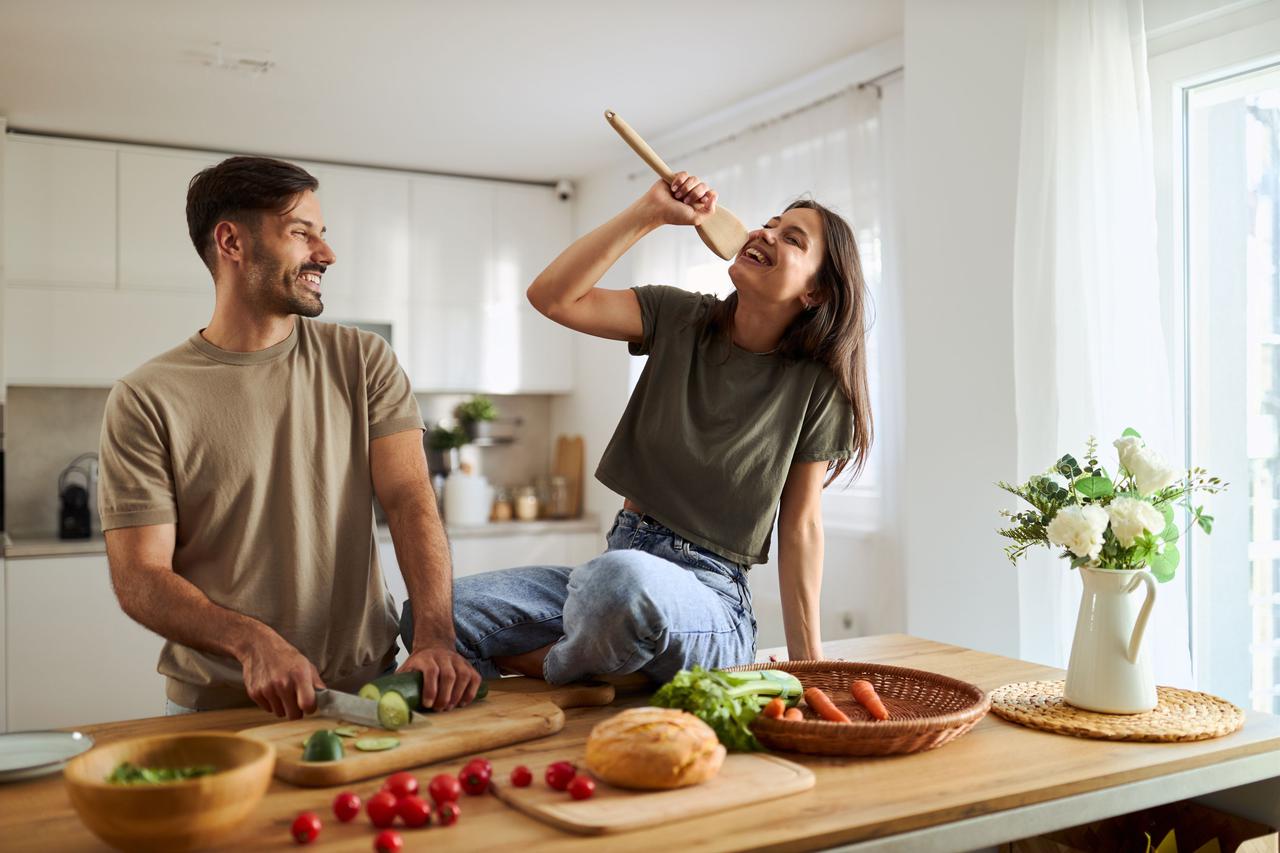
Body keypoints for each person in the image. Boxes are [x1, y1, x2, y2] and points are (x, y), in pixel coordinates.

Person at [403, 171, 872, 683]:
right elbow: (553, 297)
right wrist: (647, 213)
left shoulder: (818, 386)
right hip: (620, 568)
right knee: (431, 617)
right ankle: (618, 674)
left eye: (792, 239)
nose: (766, 234)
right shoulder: (679, 318)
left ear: (816, 293)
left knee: (618, 583)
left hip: (708, 601)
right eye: (769, 224)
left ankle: (580, 672)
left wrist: (811, 666)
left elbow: (801, 526)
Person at [98, 156, 480, 719]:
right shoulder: (146, 397)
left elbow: (409, 499)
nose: (324, 254)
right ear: (231, 241)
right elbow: (140, 577)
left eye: (321, 235)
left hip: (370, 692)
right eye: (301, 234)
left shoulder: (362, 360)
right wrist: (251, 642)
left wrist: (435, 638)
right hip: (221, 709)